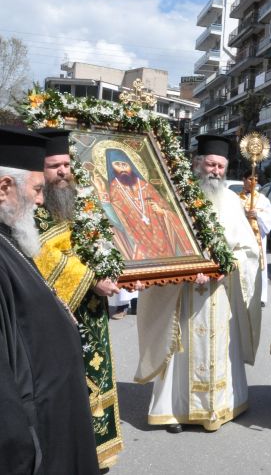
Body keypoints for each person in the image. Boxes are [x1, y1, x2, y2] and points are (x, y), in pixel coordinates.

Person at [134, 134, 262, 433]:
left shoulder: (231, 201)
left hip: (219, 291)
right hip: (181, 292)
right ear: (196, 164)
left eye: (221, 166)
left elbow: (248, 250)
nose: (216, 171)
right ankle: (175, 410)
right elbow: (158, 243)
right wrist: (187, 268)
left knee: (220, 347)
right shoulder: (172, 197)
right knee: (179, 348)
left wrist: (223, 266)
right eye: (210, 164)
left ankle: (220, 406)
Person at [0, 126, 99, 474]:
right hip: (32, 438)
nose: (41, 200)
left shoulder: (10, 236)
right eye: (37, 189)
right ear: (4, 188)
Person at [32, 128, 124, 469]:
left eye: (66, 164)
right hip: (60, 307)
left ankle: (98, 448)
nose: (62, 172)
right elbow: (41, 254)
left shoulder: (78, 197)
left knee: (96, 375)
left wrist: (111, 269)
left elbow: (98, 238)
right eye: (54, 165)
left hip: (92, 307)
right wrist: (90, 278)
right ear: (39, 169)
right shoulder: (34, 205)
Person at [102, 148, 194, 260]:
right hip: (138, 242)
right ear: (112, 167)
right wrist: (102, 193)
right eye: (117, 164)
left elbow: (169, 210)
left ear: (131, 165)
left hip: (162, 239)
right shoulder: (114, 191)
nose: (122, 168)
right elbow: (117, 221)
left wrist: (163, 211)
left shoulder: (145, 186)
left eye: (124, 164)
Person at [240, 174, 271, 306]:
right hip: (241, 238)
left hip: (258, 238)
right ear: (243, 180)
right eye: (250, 178)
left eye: (256, 179)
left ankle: (260, 296)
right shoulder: (236, 199)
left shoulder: (262, 199)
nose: (253, 182)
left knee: (258, 265)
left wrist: (258, 215)